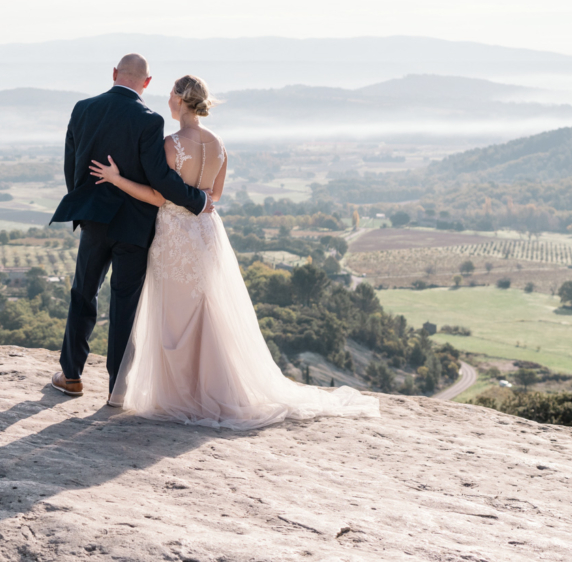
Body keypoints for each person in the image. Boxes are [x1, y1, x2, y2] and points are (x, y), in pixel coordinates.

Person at [87, 74, 378, 428]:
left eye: (170, 93)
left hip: (176, 234)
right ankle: (216, 389)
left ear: (179, 99)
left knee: (175, 316)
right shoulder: (220, 145)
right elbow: (215, 198)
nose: (167, 98)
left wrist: (116, 178)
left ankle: (181, 394)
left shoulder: (171, 144)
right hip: (207, 233)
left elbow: (159, 196)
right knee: (207, 310)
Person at [49, 53, 212, 399]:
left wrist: (85, 201)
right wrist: (197, 201)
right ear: (147, 83)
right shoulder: (150, 121)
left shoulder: (83, 109)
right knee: (125, 305)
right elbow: (160, 179)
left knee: (83, 294)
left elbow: (71, 165)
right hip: (135, 226)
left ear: (114, 74)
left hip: (95, 218)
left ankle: (72, 376)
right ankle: (117, 389)